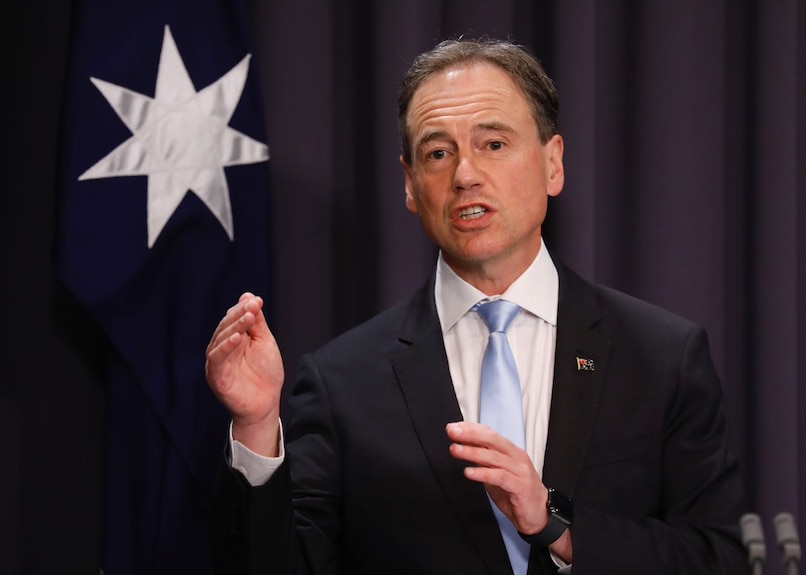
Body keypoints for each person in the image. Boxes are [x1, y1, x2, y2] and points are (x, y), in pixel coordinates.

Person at [206, 38, 747, 574]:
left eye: (493, 144)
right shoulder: (341, 381)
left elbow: (718, 559)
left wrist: (558, 528)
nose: (465, 175)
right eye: (438, 153)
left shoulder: (661, 358)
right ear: (411, 186)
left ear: (552, 163)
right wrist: (256, 429)